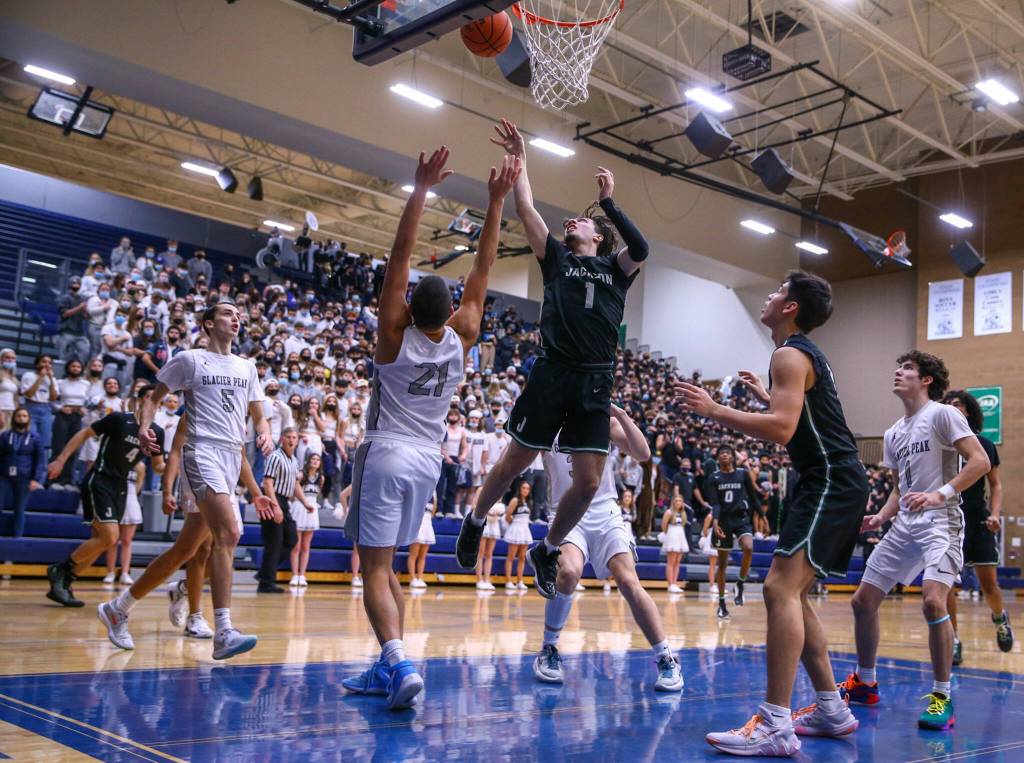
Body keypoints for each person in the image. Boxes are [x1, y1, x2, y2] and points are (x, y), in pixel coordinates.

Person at [341, 147, 516, 710]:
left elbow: (398, 256)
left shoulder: (394, 338)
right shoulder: (463, 337)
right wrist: (495, 202)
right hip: (428, 460)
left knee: (371, 567)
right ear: (452, 312)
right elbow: (483, 268)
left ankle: (396, 659)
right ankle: (386, 663)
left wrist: (419, 190)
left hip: (387, 448)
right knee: (388, 562)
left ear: (410, 306)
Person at [675, 272, 869, 757]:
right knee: (793, 594)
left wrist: (716, 410)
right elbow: (800, 419)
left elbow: (783, 429)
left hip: (829, 480)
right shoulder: (795, 355)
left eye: (778, 290)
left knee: (779, 588)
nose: (769, 295)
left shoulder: (789, 354)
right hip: (828, 480)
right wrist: (765, 399)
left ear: (791, 307)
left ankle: (776, 724)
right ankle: (830, 708)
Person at [458, 119, 648, 599]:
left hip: (595, 382)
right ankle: (475, 519)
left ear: (599, 236)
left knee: (587, 484)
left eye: (581, 222)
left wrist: (608, 203)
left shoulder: (616, 269)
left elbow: (642, 248)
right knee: (515, 460)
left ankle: (547, 546)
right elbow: (525, 207)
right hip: (553, 373)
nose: (572, 222)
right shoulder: (556, 259)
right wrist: (521, 158)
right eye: (572, 221)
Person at [843, 352, 990, 732]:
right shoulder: (894, 432)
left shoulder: (943, 414)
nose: (898, 372)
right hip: (905, 523)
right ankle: (866, 681)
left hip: (941, 520)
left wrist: (941, 494)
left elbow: (979, 462)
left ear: (926, 379)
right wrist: (880, 516)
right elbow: (900, 488)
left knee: (931, 600)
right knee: (863, 600)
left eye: (907, 368)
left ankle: (942, 695)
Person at [133, 300, 273, 659]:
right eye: (227, 313)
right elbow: (155, 399)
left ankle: (122, 606)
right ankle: (214, 623)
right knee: (222, 538)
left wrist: (263, 432)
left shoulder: (246, 368)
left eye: (239, 314)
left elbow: (257, 418)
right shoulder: (190, 360)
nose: (236, 317)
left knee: (194, 547)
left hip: (229, 457)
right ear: (208, 323)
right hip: (201, 455)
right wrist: (146, 430)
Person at [534, 404, 683, 691]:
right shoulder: (546, 418)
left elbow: (643, 454)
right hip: (565, 512)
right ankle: (549, 649)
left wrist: (623, 416)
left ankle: (666, 658)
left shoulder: (600, 420)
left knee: (628, 580)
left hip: (604, 510)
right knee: (568, 572)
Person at [44, 384, 167, 608]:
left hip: (121, 485)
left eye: (157, 399)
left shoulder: (157, 432)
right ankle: (59, 570)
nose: (154, 401)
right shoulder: (119, 420)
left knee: (102, 540)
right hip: (100, 479)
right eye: (149, 397)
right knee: (109, 538)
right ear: (139, 400)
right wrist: (61, 460)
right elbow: (83, 433)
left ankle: (63, 584)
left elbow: (158, 465)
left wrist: (176, 464)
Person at [941, 389, 1013, 662]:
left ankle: (1000, 619)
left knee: (989, 585)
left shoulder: (982, 442)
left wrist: (994, 514)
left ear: (968, 410)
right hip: (947, 519)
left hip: (977, 518)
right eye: (946, 404)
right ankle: (954, 639)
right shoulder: (940, 444)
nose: (951, 407)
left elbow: (995, 484)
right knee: (946, 585)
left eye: (957, 404)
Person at [705, 444, 760, 619]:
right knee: (722, 564)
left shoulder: (743, 474)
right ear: (718, 458)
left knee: (749, 547)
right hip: (723, 521)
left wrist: (763, 514)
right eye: (721, 453)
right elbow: (715, 503)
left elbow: (753, 496)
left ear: (733, 457)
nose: (725, 455)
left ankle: (740, 583)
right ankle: (722, 604)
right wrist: (714, 522)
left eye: (728, 452)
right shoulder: (713, 478)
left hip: (741, 519)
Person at [261, 428, 307, 592]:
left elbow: (295, 485)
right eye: (289, 437)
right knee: (274, 542)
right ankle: (266, 582)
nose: (292, 440)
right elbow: (267, 483)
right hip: (272, 499)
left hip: (284, 502)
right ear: (282, 439)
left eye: (295, 437)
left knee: (291, 538)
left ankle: (264, 572)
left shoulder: (294, 460)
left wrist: (305, 502)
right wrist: (275, 506)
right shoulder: (275, 456)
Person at [0, 408, 46, 538]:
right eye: (19, 416)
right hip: (4, 476)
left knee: (19, 510)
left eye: (25, 416)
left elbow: (40, 460)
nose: (22, 418)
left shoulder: (35, 437)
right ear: (14, 418)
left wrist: (36, 479)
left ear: (29, 419)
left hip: (25, 478)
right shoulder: (5, 435)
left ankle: (17, 541)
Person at [50, 359, 91, 488]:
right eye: (73, 366)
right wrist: (60, 408)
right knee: (59, 446)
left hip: (78, 416)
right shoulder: (60, 382)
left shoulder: (86, 384)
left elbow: (90, 401)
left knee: (73, 449)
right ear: (68, 368)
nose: (75, 368)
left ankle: (67, 480)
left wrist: (85, 409)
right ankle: (54, 479)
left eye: (78, 366)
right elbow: (51, 400)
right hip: (63, 415)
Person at [104, 462, 144, 584]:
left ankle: (125, 573)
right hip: (114, 499)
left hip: (131, 500)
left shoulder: (140, 466)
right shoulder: (116, 460)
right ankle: (110, 572)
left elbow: (138, 485)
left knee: (127, 540)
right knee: (112, 540)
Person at [289, 451, 323, 588]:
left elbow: (317, 494)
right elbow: (294, 491)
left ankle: (302, 575)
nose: (315, 461)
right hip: (299, 507)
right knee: (296, 545)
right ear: (308, 461)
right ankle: (294, 575)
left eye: (318, 460)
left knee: (306, 546)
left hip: (312, 508)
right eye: (313, 459)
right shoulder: (301, 475)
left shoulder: (321, 478)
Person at [20, 355, 57, 456]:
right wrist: (41, 377)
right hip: (31, 407)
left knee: (44, 441)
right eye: (43, 362)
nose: (47, 365)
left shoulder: (52, 378)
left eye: (49, 363)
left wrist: (51, 380)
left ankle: (41, 468)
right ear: (37, 364)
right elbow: (29, 394)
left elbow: (53, 398)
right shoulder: (28, 375)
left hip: (46, 408)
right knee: (29, 438)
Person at [503, 480, 532, 591]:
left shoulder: (529, 502)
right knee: (511, 557)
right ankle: (509, 581)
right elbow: (507, 516)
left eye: (527, 488)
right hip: (515, 529)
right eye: (523, 488)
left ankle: (519, 581)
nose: (525, 490)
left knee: (522, 558)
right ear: (520, 489)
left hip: (525, 530)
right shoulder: (515, 500)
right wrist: (514, 526)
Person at [56, 276, 91, 365]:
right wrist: (79, 307)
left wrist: (85, 310)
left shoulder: (82, 299)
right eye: (74, 283)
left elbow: (86, 317)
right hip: (66, 331)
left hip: (80, 332)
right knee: (63, 356)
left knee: (84, 352)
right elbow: (64, 314)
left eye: (78, 283)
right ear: (70, 284)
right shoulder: (65, 298)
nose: (76, 285)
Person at [407, 494, 437, 589]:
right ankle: (413, 578)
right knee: (413, 554)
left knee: (423, 556)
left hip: (428, 523)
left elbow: (434, 509)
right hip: (417, 522)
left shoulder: (434, 492)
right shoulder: (418, 487)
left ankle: (420, 577)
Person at [660, 494, 688, 594]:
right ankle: (670, 584)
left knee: (677, 562)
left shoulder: (683, 513)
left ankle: (675, 583)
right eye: (676, 500)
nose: (678, 502)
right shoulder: (669, 512)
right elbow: (663, 525)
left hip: (680, 535)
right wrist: (668, 535)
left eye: (680, 501)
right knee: (671, 562)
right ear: (673, 502)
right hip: (672, 534)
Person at [476, 499, 504, 591]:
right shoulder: (484, 491)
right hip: (484, 522)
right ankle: (479, 580)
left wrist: (497, 513)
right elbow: (476, 507)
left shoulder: (500, 493)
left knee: (489, 554)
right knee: (481, 553)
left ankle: (487, 580)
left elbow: (501, 510)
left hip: (494, 524)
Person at [0, 349, 19, 431]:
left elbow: (16, 398)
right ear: (1, 359)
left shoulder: (14, 379)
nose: (10, 360)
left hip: (11, 411)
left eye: (13, 358)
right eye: (7, 357)